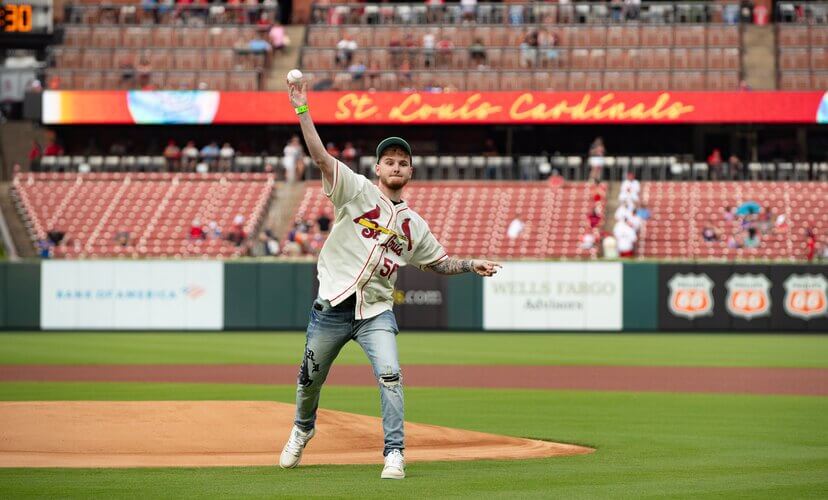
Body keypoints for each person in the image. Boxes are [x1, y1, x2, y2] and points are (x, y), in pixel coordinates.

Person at [279, 74, 501, 480]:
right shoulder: (357, 191)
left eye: (403, 162)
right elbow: (320, 158)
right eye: (389, 161)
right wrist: (302, 109)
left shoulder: (414, 225)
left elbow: (438, 262)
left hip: (375, 312)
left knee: (391, 375)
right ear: (378, 167)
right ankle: (302, 429)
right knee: (308, 381)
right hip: (331, 306)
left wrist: (470, 265)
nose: (395, 165)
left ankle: (394, 453)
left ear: (410, 172)